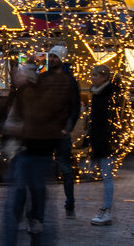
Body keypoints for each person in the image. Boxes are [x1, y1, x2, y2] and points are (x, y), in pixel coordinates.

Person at [1, 61, 68, 246]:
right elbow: (11, 123)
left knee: (29, 196)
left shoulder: (34, 96)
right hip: (28, 153)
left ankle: (33, 224)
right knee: (26, 196)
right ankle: (33, 224)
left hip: (35, 153)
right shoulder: (24, 95)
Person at [43, 47, 80, 218]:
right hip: (46, 129)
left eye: (55, 56)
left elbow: (75, 106)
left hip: (61, 130)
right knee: (45, 166)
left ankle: (70, 200)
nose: (51, 59)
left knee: (65, 167)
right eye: (50, 56)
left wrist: (67, 127)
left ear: (61, 59)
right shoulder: (44, 78)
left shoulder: (70, 81)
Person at [81, 67, 118, 226]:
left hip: (106, 141)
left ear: (104, 77)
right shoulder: (97, 93)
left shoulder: (108, 95)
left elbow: (108, 120)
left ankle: (106, 209)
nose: (92, 78)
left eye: (95, 75)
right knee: (102, 175)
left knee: (106, 176)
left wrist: (103, 139)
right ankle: (106, 208)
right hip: (100, 140)